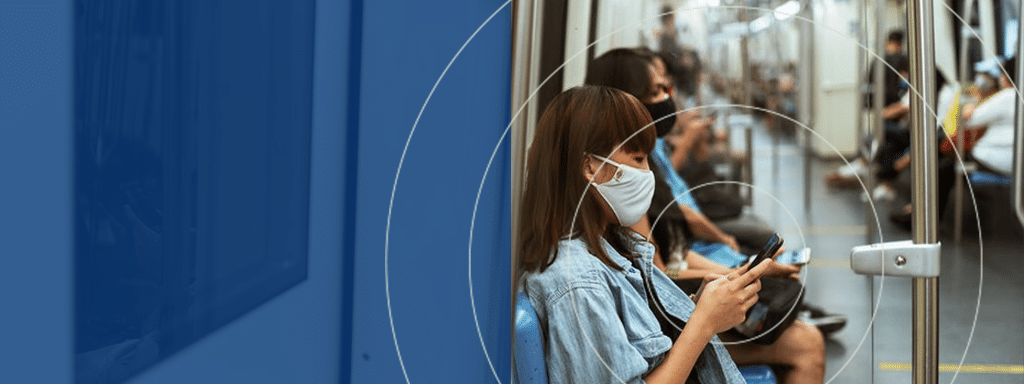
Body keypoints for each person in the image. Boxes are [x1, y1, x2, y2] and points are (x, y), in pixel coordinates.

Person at [519, 85, 768, 383]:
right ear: (590, 166)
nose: (647, 174)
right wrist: (704, 324)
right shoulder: (578, 283)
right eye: (638, 160)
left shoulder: (613, 243)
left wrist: (698, 306)